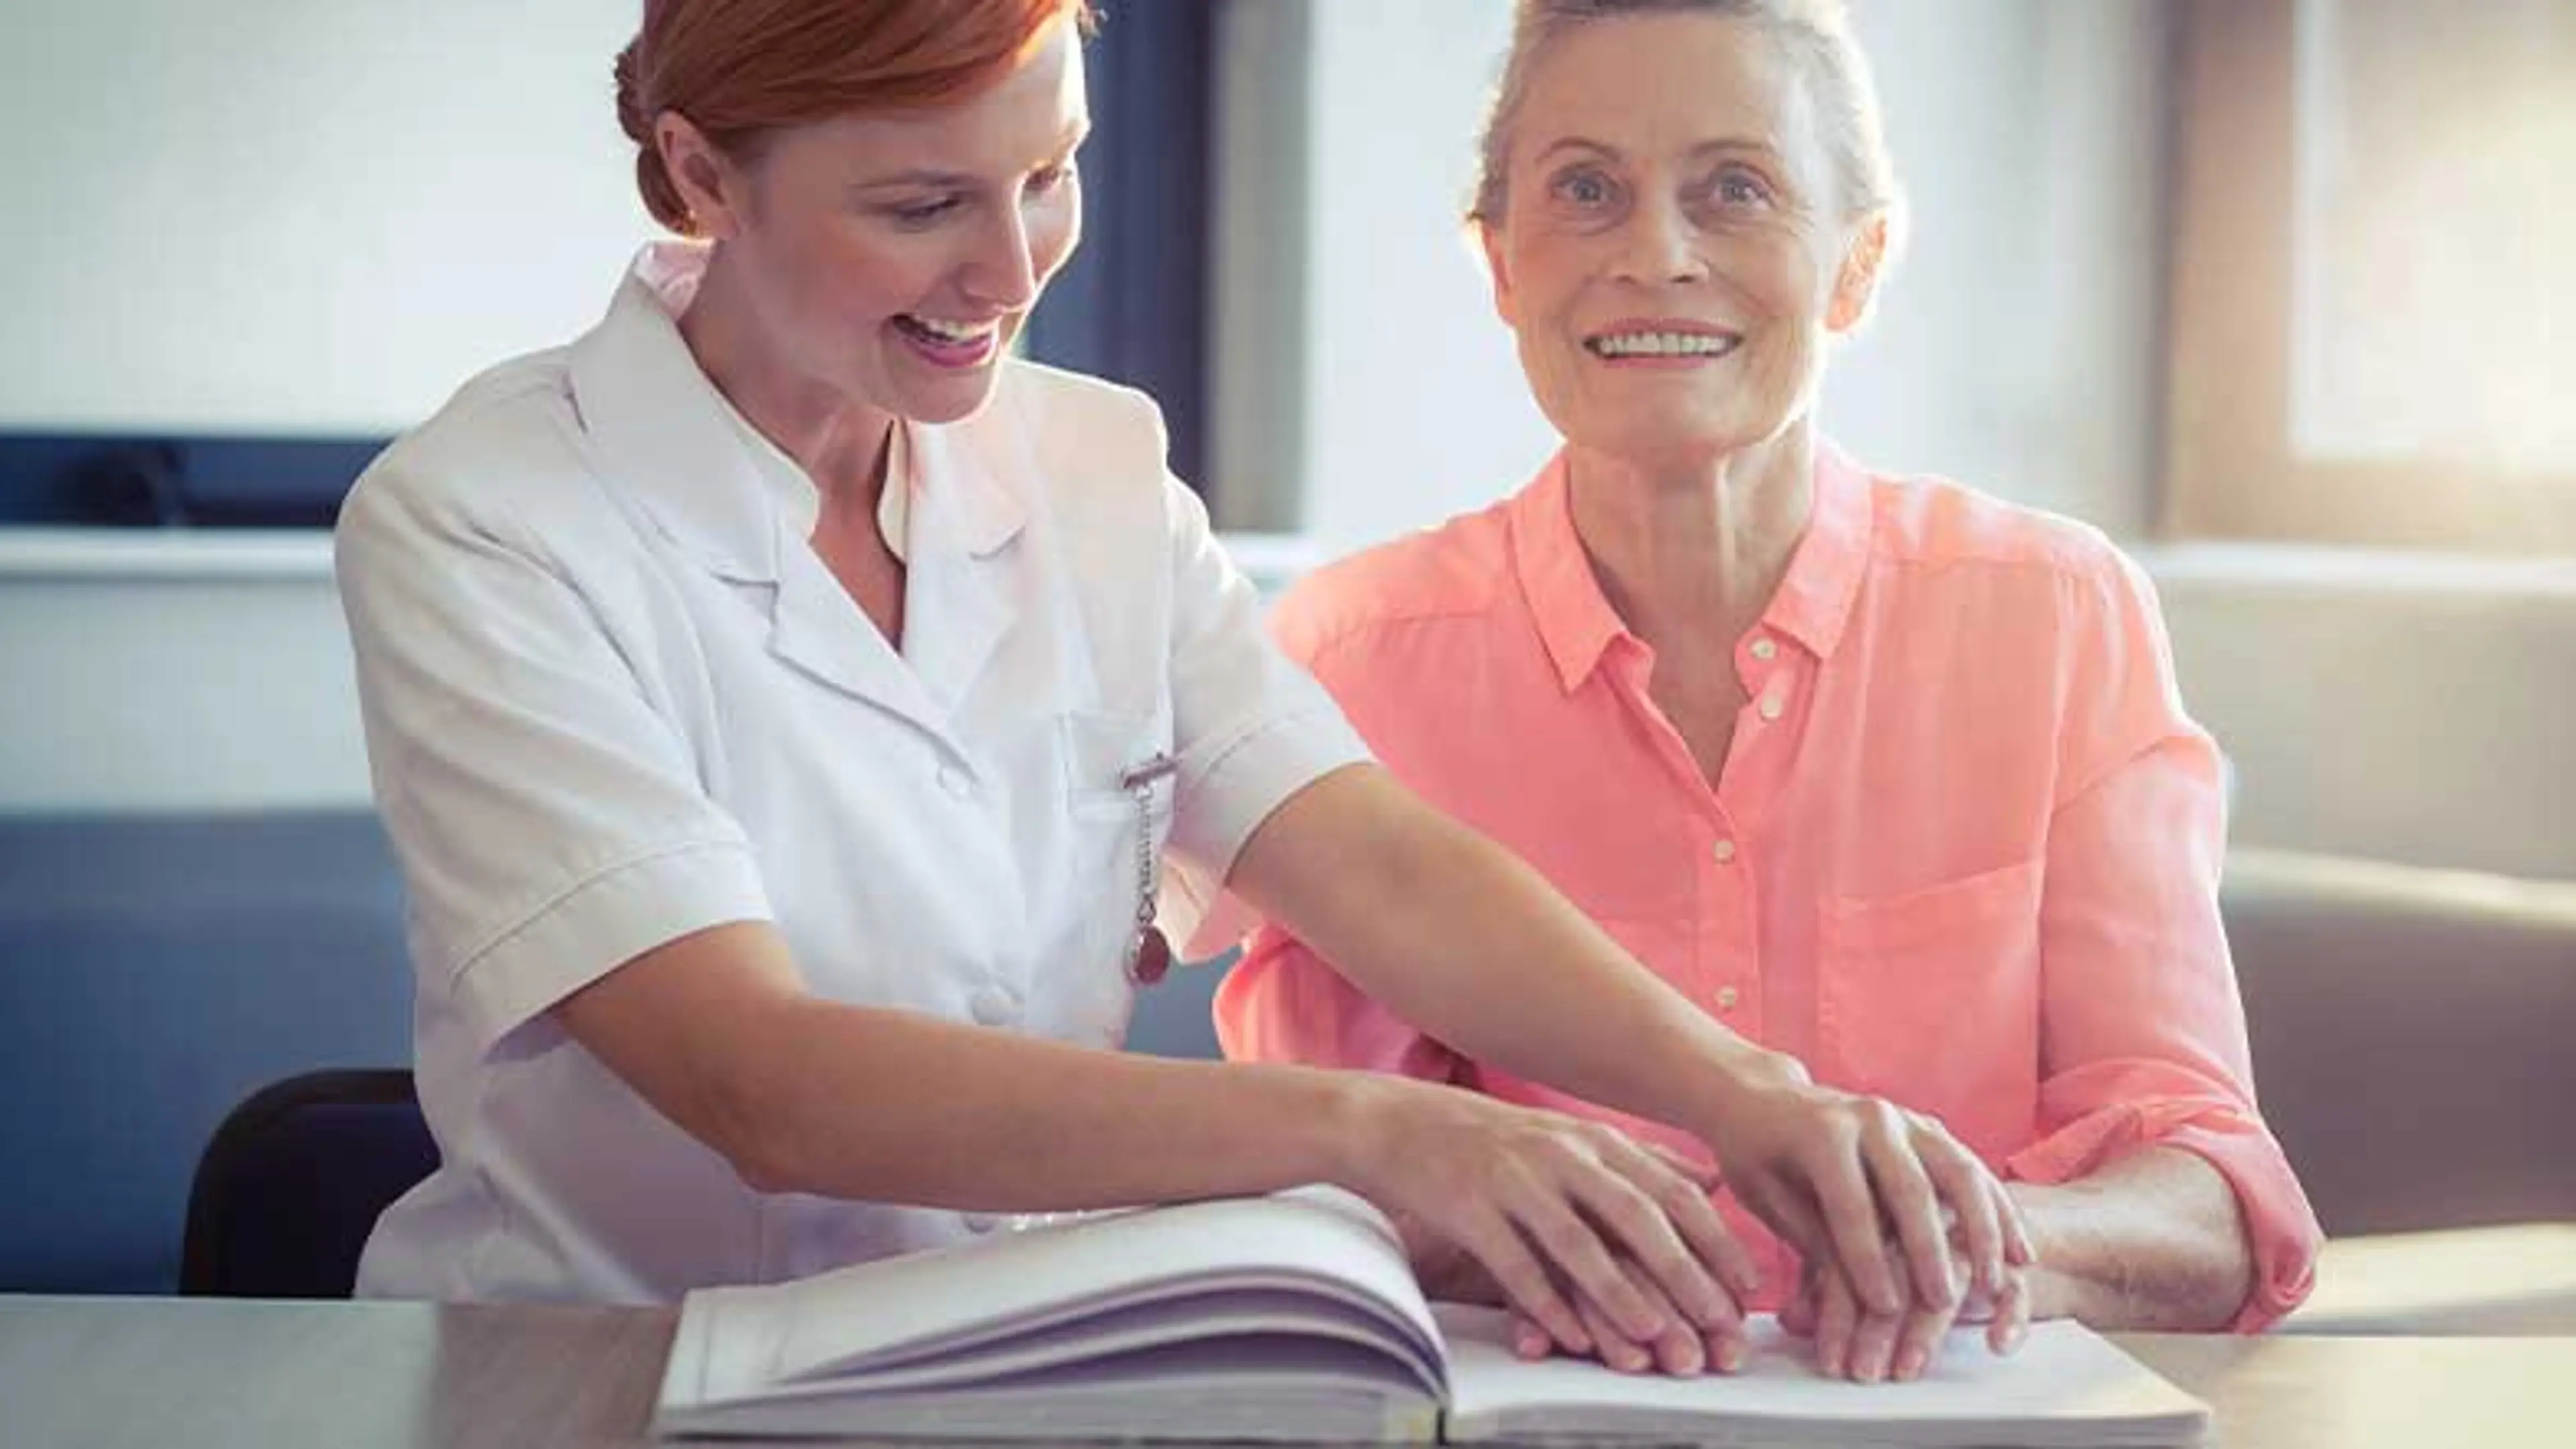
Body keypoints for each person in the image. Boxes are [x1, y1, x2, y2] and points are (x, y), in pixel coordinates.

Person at [333, 0, 2029, 1377]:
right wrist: (1378, 1138)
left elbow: (1367, 858)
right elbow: (759, 1082)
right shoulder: (489, 521)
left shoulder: (1093, 472)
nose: (1011, 272)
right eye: (921, 205)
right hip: (606, 1377)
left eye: (1051, 176)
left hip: (1029, 1370)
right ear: (704, 175)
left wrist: (1752, 1100)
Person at [1213, 0, 2323, 1385]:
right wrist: (1531, 1240)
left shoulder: (2059, 614)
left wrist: (1972, 1246)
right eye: (1585, 190)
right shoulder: (1348, 653)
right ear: (1501, 266)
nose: (1654, 255)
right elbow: (1325, 1190)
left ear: (1856, 268)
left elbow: (2217, 1197)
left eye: (1735, 189)